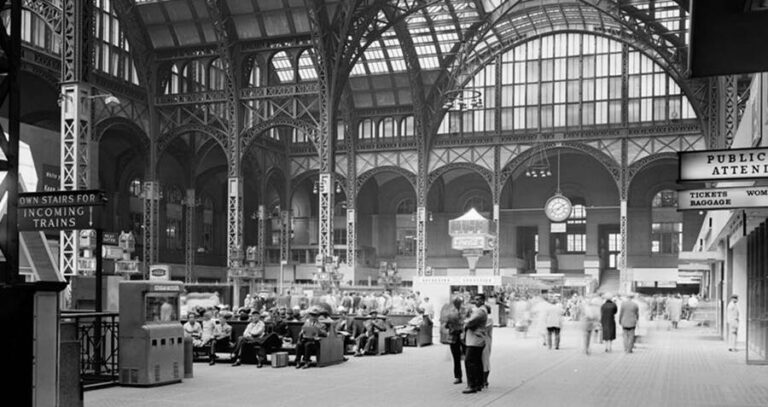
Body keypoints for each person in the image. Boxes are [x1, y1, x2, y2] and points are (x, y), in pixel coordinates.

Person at [462, 295, 488, 394]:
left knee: (469, 361)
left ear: (483, 300)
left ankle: (472, 385)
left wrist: (464, 321)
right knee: (477, 362)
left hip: (475, 340)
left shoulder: (480, 311)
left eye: (478, 299)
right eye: (475, 299)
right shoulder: (480, 310)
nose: (475, 301)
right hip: (476, 340)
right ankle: (478, 383)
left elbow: (469, 322)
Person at [442, 296, 465, 385]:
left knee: (468, 358)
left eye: (458, 302)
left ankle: (470, 378)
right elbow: (446, 324)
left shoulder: (465, 311)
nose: (457, 303)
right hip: (453, 337)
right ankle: (458, 376)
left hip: (464, 336)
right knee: (456, 358)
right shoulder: (450, 312)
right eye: (456, 302)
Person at [481, 304, 493, 389]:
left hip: (485, 341)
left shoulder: (488, 319)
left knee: (485, 361)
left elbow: (483, 328)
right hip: (481, 341)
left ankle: (485, 380)